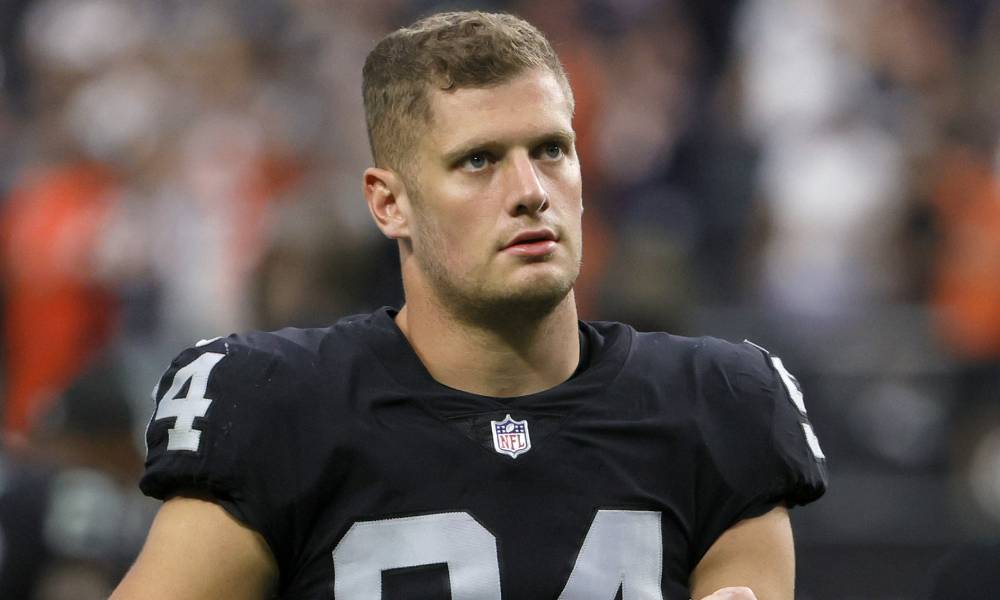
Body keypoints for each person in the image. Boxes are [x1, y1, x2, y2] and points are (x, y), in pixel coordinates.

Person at [111, 11, 826, 600]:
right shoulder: (277, 405)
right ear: (389, 203)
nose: (530, 190)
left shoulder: (719, 404)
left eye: (550, 150)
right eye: (478, 160)